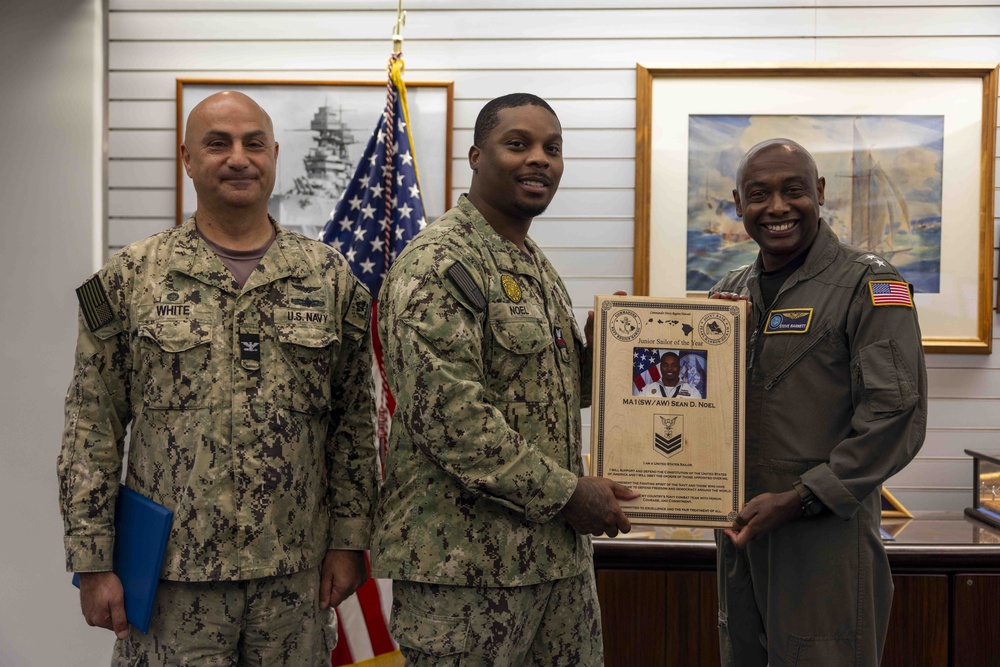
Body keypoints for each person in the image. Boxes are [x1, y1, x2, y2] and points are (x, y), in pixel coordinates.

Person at [57, 91, 380, 666]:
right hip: (172, 583)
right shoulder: (132, 277)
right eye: (218, 143)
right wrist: (92, 560)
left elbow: (353, 424)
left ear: (275, 154)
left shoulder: (328, 278)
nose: (238, 157)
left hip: (293, 579)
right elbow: (92, 426)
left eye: (254, 143)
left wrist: (351, 541)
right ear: (186, 157)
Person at [371, 93, 638, 666]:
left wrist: (612, 351)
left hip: (555, 566)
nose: (539, 159)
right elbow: (453, 420)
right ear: (476, 155)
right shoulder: (440, 264)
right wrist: (570, 494)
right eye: (518, 144)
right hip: (466, 573)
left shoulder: (531, 263)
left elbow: (543, 391)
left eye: (552, 148)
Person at [710, 138, 927, 666]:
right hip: (740, 533)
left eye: (793, 190)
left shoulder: (872, 285)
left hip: (823, 536)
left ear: (820, 193)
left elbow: (895, 415)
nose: (777, 207)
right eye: (759, 194)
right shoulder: (728, 293)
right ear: (738, 204)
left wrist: (803, 497)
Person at [638, 351, 703, 398]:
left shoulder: (693, 392)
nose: (669, 368)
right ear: (660, 367)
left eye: (674, 365)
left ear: (679, 367)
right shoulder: (646, 390)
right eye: (665, 365)